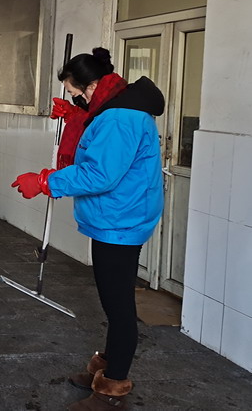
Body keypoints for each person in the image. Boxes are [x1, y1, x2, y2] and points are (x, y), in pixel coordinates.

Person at [11, 47, 164, 411]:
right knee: (114, 300)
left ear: (91, 85)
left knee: (119, 305)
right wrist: (76, 115)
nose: (75, 99)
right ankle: (106, 366)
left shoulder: (120, 117)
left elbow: (100, 173)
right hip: (117, 216)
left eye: (75, 93)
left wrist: (45, 181)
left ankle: (112, 387)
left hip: (120, 219)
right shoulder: (116, 107)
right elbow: (98, 148)